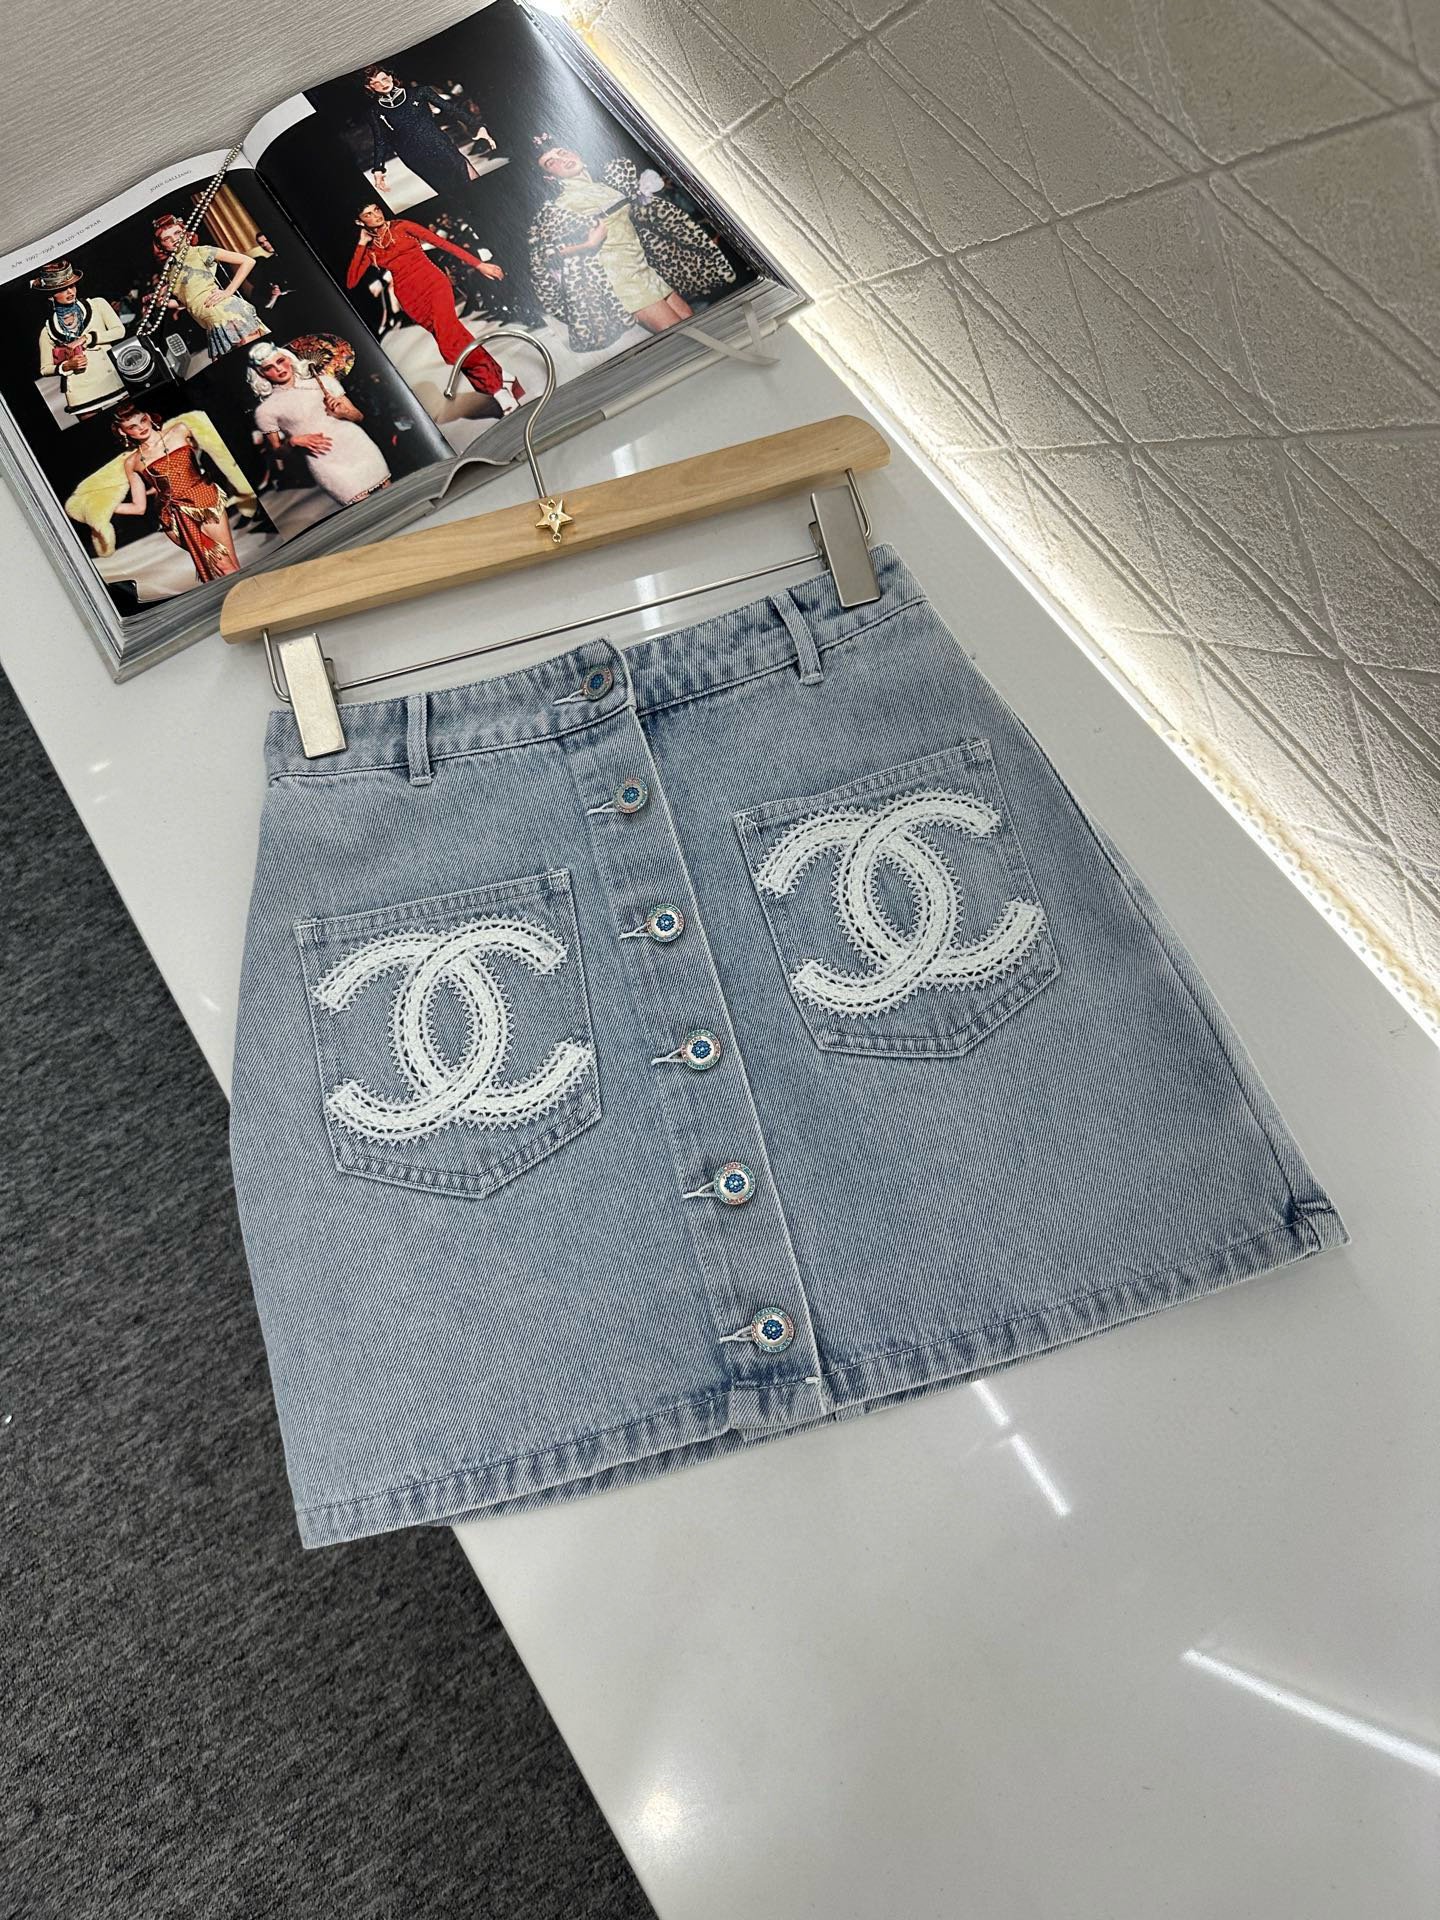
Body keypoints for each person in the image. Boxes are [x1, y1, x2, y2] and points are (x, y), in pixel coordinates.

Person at [528, 136, 736, 353]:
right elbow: (543, 254)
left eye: (562, 152)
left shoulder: (603, 184)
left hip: (643, 268)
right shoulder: (562, 205)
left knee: (691, 321)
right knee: (684, 339)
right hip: (621, 281)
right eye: (551, 162)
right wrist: (587, 244)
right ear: (549, 177)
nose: (562, 160)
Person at [345, 203, 522, 414]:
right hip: (410, 299)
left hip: (434, 285)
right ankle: (502, 378)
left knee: (450, 343)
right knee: (458, 337)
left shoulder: (402, 226)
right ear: (360, 222)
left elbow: (442, 243)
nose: (376, 215)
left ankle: (497, 390)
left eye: (377, 210)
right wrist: (361, 243)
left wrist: (478, 264)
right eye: (368, 214)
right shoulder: (370, 249)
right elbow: (351, 281)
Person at [109, 400, 241, 581]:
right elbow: (138, 507)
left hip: (206, 502)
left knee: (232, 565)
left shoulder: (180, 430)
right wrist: (104, 509)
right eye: (132, 427)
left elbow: (216, 447)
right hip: (174, 518)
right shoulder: (132, 462)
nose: (141, 428)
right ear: (123, 432)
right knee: (223, 567)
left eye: (143, 420)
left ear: (148, 417)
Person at [247, 344, 391, 505]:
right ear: (261, 373)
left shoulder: (325, 382)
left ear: (288, 358)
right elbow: (277, 453)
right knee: (363, 509)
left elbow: (359, 417)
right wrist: (292, 442)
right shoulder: (265, 410)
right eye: (269, 368)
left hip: (358, 446)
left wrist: (343, 413)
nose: (278, 369)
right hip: (324, 461)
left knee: (393, 498)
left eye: (280, 361)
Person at [150, 213, 268, 360]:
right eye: (167, 238)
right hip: (211, 323)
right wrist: (164, 303)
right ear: (161, 245)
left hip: (226, 314)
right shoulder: (170, 270)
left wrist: (228, 291)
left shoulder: (201, 251)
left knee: (257, 357)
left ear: (185, 233)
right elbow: (188, 301)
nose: (174, 239)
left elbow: (248, 261)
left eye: (178, 233)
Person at [362, 66, 486, 198]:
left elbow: (451, 109)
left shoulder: (419, 92)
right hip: (414, 158)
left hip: (440, 146)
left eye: (384, 79)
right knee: (451, 194)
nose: (383, 84)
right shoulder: (375, 111)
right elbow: (380, 140)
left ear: (391, 77)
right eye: (376, 83)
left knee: (472, 182)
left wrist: (477, 126)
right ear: (370, 87)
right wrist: (378, 170)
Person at [30, 258, 127, 418]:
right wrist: (67, 365)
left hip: (111, 378)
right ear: (50, 295)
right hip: (80, 391)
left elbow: (119, 331)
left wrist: (87, 338)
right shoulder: (48, 330)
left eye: (72, 286)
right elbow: (45, 369)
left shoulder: (97, 305)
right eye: (62, 289)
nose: (70, 292)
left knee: (129, 420)